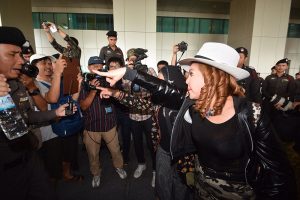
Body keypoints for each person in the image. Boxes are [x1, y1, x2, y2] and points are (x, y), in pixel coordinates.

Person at [93, 42, 297, 199]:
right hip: (199, 192)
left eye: (191, 74)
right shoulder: (194, 104)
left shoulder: (251, 114)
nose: (186, 80)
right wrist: (128, 73)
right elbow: (164, 89)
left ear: (212, 77)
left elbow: (280, 176)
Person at [98, 65, 193, 200]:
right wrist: (115, 93)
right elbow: (139, 103)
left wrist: (128, 73)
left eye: (160, 82)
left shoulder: (186, 102)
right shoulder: (158, 102)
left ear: (171, 83)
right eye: (156, 81)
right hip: (163, 150)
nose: (156, 86)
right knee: (162, 183)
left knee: (181, 186)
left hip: (183, 155)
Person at [0, 26, 72, 200]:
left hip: (27, 156)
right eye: (12, 54)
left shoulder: (16, 85)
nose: (20, 61)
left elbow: (27, 116)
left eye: (20, 54)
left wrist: (56, 113)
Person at [79, 56, 127, 188]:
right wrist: (93, 90)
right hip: (91, 127)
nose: (98, 68)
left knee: (116, 151)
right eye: (95, 66)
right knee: (93, 155)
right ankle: (96, 174)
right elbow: (83, 106)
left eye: (100, 66)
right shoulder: (83, 84)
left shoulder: (109, 81)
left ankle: (119, 167)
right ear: (88, 68)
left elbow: (121, 98)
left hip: (109, 125)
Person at [122, 48, 157, 187]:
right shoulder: (126, 72)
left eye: (134, 58)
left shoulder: (150, 70)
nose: (132, 60)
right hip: (133, 115)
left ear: (139, 58)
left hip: (148, 114)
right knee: (136, 142)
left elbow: (155, 86)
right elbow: (124, 89)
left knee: (152, 144)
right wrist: (128, 72)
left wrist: (141, 74)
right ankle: (141, 164)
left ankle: (155, 170)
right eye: (129, 58)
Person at [262, 58, 296, 141]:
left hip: (281, 104)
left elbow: (291, 92)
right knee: (266, 120)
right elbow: (263, 90)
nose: (280, 67)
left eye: (283, 65)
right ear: (276, 67)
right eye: (279, 65)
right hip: (268, 103)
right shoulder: (269, 77)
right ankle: (265, 137)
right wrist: (273, 99)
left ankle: (277, 139)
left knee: (279, 122)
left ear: (286, 67)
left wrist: (281, 102)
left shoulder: (290, 78)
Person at [107, 56, 131, 164]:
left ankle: (125, 157)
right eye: (110, 66)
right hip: (112, 113)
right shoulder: (106, 80)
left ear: (121, 67)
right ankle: (115, 155)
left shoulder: (126, 79)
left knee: (126, 136)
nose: (111, 69)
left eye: (114, 67)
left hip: (125, 113)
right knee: (113, 137)